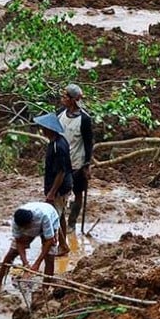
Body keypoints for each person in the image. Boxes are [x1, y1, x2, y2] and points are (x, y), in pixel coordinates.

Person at [0, 201, 61, 289]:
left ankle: (45, 289)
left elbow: (49, 240)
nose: (24, 229)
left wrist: (37, 263)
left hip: (51, 220)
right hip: (32, 223)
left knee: (49, 258)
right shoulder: (16, 221)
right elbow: (19, 242)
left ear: (31, 223)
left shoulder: (45, 217)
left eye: (26, 228)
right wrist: (25, 263)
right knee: (12, 253)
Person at [56, 84, 94, 232]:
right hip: (61, 162)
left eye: (65, 96)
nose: (62, 99)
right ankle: (60, 222)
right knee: (60, 193)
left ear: (73, 100)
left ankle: (72, 222)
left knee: (78, 192)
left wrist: (87, 164)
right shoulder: (60, 114)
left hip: (77, 163)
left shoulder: (84, 119)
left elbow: (88, 143)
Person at [34, 112, 73, 254]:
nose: (42, 130)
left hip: (59, 189)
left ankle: (60, 245)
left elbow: (61, 172)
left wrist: (52, 193)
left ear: (49, 129)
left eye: (43, 128)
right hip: (62, 186)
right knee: (59, 216)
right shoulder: (58, 141)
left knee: (53, 217)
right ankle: (63, 244)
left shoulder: (58, 146)